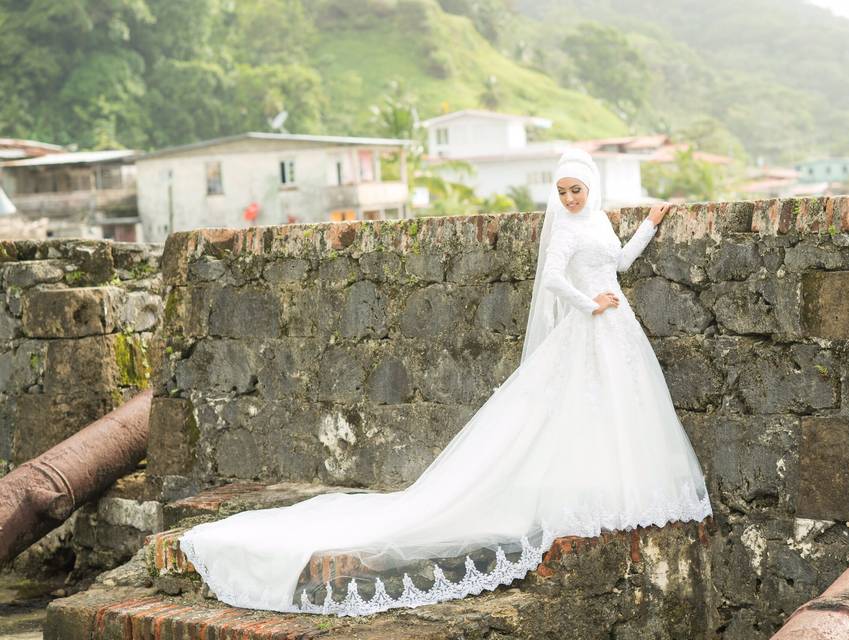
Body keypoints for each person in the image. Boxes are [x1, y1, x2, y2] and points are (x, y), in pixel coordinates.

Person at [179, 148, 712, 617]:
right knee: (576, 410)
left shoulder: (595, 222)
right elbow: (550, 279)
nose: (570, 198)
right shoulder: (568, 229)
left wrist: (651, 224)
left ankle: (617, 491)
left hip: (618, 329)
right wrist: (588, 304)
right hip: (592, 323)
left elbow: (618, 262)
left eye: (577, 190)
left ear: (592, 188)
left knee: (618, 408)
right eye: (563, 191)